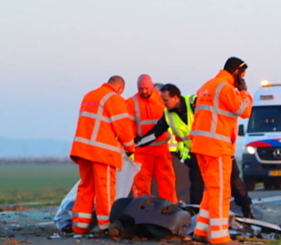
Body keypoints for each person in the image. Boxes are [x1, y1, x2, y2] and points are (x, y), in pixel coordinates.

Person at [151, 83, 255, 218]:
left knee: (232, 180)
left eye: (165, 100)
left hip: (217, 147)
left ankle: (246, 210)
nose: (163, 104)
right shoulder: (168, 115)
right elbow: (156, 132)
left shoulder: (194, 102)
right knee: (196, 186)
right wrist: (135, 142)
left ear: (176, 97)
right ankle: (197, 216)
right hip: (196, 153)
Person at [189, 58, 253, 245]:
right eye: (242, 76)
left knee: (210, 189)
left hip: (201, 145)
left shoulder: (207, 86)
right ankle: (219, 237)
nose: (242, 79)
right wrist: (244, 92)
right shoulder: (225, 88)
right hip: (217, 146)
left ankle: (201, 231)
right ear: (236, 73)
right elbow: (244, 111)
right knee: (220, 191)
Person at [68, 76, 136, 234]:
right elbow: (122, 126)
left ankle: (79, 225)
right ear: (120, 89)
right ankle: (105, 225)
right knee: (104, 188)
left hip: (83, 150)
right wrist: (130, 147)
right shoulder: (114, 99)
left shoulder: (89, 96)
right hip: (102, 152)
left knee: (86, 187)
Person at [127, 74, 176, 202]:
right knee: (141, 184)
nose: (144, 91)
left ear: (152, 86)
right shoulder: (131, 103)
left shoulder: (161, 99)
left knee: (167, 182)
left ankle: (171, 210)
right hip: (142, 151)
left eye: (146, 88)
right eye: (140, 88)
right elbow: (127, 126)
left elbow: (173, 118)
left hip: (161, 149)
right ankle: (142, 211)